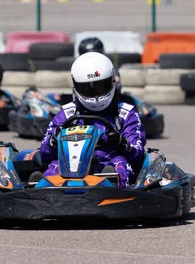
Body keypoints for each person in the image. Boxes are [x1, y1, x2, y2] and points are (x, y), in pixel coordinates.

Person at [36, 52, 146, 188]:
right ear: (76, 87)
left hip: (109, 162)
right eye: (87, 88)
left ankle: (114, 191)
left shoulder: (125, 113)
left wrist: (121, 143)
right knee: (54, 166)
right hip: (71, 165)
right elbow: (44, 153)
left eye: (101, 86)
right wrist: (54, 140)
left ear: (112, 81)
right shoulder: (67, 114)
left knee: (120, 164)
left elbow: (138, 153)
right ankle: (42, 192)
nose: (95, 95)